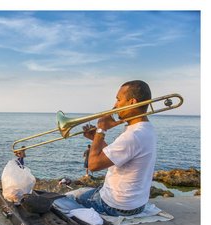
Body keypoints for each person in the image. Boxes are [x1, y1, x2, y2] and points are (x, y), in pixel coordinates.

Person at [66, 80, 156, 216]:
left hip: (115, 205)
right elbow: (114, 157)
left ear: (132, 102)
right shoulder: (146, 129)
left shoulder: (133, 135)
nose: (115, 105)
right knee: (84, 190)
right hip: (136, 204)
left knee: (66, 197)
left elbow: (93, 165)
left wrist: (101, 130)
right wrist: (95, 138)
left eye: (119, 100)